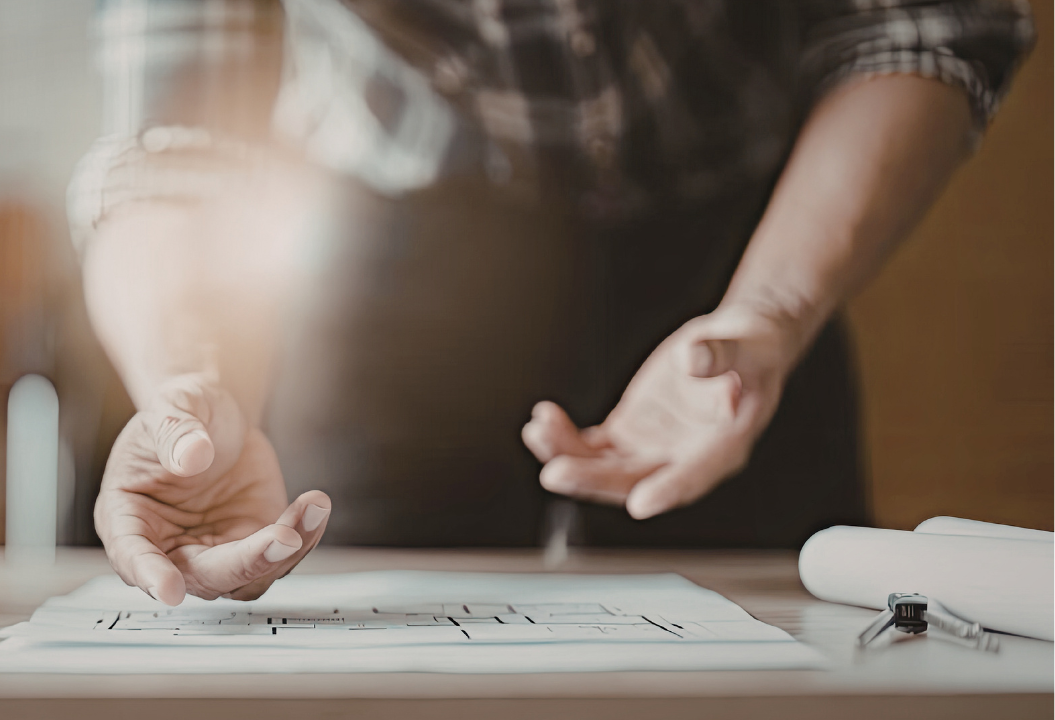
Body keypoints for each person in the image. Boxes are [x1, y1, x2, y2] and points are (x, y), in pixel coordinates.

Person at [69, 0, 1033, 605]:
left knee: (785, 636)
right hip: (392, 245)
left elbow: (923, 23)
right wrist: (189, 382)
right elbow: (174, 141)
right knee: (348, 633)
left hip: (748, 243)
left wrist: (772, 308)